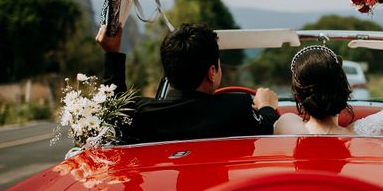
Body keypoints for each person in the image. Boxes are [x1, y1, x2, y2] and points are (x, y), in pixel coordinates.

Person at [96, 23, 279, 143]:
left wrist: (112, 53)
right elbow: (266, 127)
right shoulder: (236, 108)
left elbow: (113, 103)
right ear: (212, 72)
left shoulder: (140, 113)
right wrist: (266, 106)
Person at [274, 1, 383, 136]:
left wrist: (265, 106)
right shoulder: (364, 134)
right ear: (344, 88)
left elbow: (286, 119)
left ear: (298, 97)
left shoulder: (286, 125)